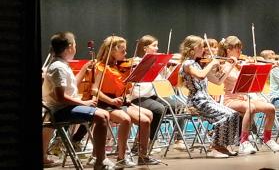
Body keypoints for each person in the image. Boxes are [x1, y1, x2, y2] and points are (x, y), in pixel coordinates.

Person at [42, 32, 114, 170]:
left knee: (103, 115)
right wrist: (84, 103)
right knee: (101, 116)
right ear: (69, 47)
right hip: (60, 110)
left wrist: (84, 68)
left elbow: (72, 85)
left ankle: (99, 158)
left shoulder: (62, 65)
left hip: (66, 107)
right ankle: (100, 160)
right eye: (75, 44)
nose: (76, 47)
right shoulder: (58, 67)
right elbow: (60, 97)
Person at [92, 35, 157, 167]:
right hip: (105, 104)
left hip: (119, 102)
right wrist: (111, 100)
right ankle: (121, 157)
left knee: (147, 117)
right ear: (111, 51)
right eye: (122, 51)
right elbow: (94, 90)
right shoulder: (100, 67)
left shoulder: (120, 67)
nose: (125, 54)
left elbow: (124, 89)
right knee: (125, 119)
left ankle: (143, 156)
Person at [216, 36, 279, 154]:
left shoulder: (240, 64)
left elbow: (258, 72)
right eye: (237, 49)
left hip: (245, 98)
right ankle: (244, 141)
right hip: (230, 100)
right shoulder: (224, 65)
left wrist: (271, 65)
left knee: (270, 108)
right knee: (250, 107)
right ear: (229, 50)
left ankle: (267, 139)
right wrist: (233, 64)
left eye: (240, 49)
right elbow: (222, 80)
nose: (240, 52)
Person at [178, 35, 240, 158]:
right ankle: (214, 148)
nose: (205, 50)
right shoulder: (187, 64)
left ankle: (223, 146)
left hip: (206, 100)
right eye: (201, 47)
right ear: (192, 49)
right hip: (196, 102)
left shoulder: (200, 64)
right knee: (226, 115)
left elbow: (219, 81)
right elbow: (200, 76)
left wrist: (231, 65)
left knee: (234, 114)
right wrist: (211, 64)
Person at [128, 35, 186, 151]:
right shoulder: (137, 62)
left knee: (179, 106)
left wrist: (165, 67)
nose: (157, 48)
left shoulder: (155, 63)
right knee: (159, 109)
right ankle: (148, 141)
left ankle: (178, 139)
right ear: (145, 48)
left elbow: (164, 81)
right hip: (139, 98)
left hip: (153, 96)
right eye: (154, 46)